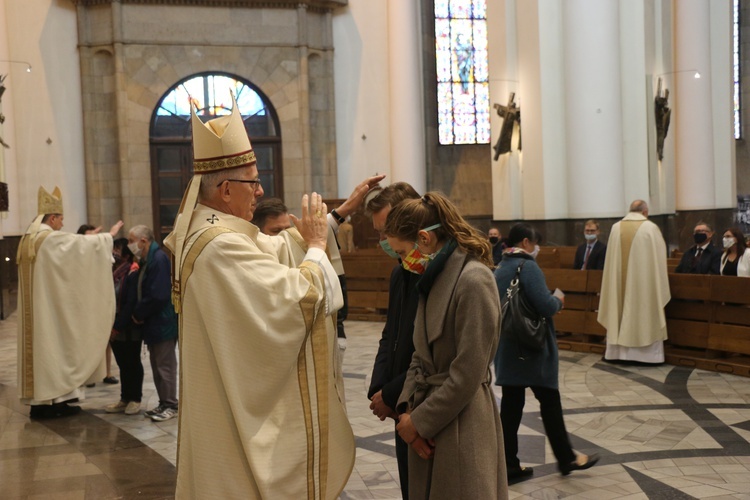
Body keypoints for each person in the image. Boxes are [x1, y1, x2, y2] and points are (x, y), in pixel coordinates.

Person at [163, 95, 377, 499]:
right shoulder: (220, 245)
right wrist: (316, 246)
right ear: (226, 189)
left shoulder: (212, 231)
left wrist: (336, 216)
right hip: (231, 408)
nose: (260, 191)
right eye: (253, 182)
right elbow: (299, 299)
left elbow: (274, 249)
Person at [384, 192, 508, 499]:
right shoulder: (432, 277)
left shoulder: (473, 280)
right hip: (428, 417)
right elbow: (419, 355)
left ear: (424, 239)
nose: (402, 262)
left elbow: (467, 373)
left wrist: (421, 423)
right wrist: (408, 414)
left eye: (402, 252)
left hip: (461, 423)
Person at [494, 223, 599, 479]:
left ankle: (508, 464)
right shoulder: (527, 266)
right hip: (531, 348)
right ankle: (566, 459)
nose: (536, 247)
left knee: (511, 406)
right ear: (526, 243)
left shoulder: (500, 268)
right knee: (550, 400)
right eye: (535, 242)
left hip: (508, 347)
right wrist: (557, 301)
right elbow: (544, 305)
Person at [17, 186, 122, 419]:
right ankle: (49, 404)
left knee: (48, 351)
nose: (62, 224)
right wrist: (108, 236)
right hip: (47, 311)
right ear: (52, 218)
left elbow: (72, 247)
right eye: (61, 219)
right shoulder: (47, 239)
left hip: (40, 308)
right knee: (53, 348)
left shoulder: (29, 239)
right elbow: (77, 248)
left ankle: (54, 401)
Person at [365, 181, 421, 500]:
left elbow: (429, 353)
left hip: (425, 404)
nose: (383, 241)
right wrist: (379, 389)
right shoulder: (400, 272)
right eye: (379, 233)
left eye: (386, 231)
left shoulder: (431, 273)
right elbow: (391, 335)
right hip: (399, 405)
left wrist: (391, 391)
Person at [598, 200, 670, 363]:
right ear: (645, 212)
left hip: (619, 286)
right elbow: (659, 262)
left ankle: (616, 353)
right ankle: (647, 357)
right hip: (644, 287)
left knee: (618, 307)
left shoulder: (616, 228)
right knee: (645, 312)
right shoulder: (650, 228)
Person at [126, 225, 179, 422]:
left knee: (165, 366)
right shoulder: (149, 258)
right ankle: (163, 402)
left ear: (143, 241)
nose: (130, 244)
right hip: (154, 322)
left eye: (132, 240)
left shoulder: (158, 259)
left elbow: (158, 294)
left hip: (162, 321)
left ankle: (171, 404)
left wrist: (139, 313)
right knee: (156, 365)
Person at [105, 238, 144, 415]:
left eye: (118, 249)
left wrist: (118, 326)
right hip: (114, 324)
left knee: (132, 363)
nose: (115, 252)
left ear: (126, 254)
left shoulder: (132, 272)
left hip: (128, 327)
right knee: (122, 363)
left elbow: (130, 302)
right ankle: (124, 398)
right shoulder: (113, 272)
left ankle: (135, 398)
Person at [77, 223, 119, 385]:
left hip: (99, 299)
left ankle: (107, 373)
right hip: (83, 304)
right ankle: (88, 374)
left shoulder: (99, 253)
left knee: (104, 338)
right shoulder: (77, 253)